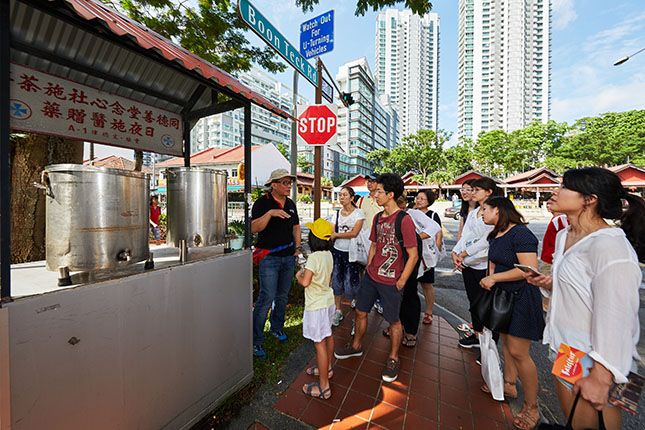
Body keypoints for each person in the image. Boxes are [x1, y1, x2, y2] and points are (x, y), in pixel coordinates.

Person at [525, 167, 644, 430]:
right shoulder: (565, 234)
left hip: (596, 360)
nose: (555, 191)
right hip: (565, 349)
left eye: (565, 187)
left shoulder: (610, 246)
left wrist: (602, 376)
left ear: (589, 199)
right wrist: (550, 284)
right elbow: (580, 289)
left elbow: (619, 315)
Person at [334, 173, 418, 383]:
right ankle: (355, 346)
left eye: (379, 191)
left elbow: (413, 255)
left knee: (393, 321)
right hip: (372, 277)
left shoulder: (404, 220)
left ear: (391, 194)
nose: (375, 195)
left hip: (392, 280)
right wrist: (370, 268)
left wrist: (401, 281)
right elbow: (373, 244)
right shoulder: (379, 218)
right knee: (361, 312)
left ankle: (393, 357)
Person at [478, 197, 544, 430]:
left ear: (498, 210)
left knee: (519, 352)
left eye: (485, 209)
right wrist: (490, 279)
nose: (482, 213)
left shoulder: (521, 234)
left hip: (522, 298)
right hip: (502, 298)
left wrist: (494, 277)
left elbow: (528, 270)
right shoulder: (496, 233)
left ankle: (532, 405)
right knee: (506, 343)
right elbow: (493, 263)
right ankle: (508, 384)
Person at [251, 169, 303, 359]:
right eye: (285, 183)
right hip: (269, 258)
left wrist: (297, 248)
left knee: (281, 296)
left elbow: (296, 227)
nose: (289, 186)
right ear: (273, 184)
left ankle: (276, 328)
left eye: (290, 183)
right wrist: (271, 213)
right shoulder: (262, 203)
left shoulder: (290, 204)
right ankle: (256, 341)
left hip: (288, 257)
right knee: (266, 298)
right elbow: (254, 228)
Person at [382, 193, 441, 347]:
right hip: (393, 263)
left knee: (409, 295)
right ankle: (396, 325)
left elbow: (435, 227)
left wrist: (414, 238)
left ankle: (411, 332)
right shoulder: (384, 216)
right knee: (395, 296)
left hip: (410, 261)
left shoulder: (412, 214)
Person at [452, 177, 501, 353]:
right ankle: (477, 335)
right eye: (472, 190)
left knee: (486, 305)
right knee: (474, 303)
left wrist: (464, 254)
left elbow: (488, 241)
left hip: (484, 265)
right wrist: (455, 252)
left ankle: (490, 345)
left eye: (476, 190)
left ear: (489, 192)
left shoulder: (495, 212)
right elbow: (465, 236)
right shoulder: (474, 213)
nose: (472, 193)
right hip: (468, 264)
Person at [296, 218, 335, 400]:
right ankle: (326, 369)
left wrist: (299, 274)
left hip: (316, 306)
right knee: (328, 336)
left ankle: (324, 387)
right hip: (328, 301)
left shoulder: (313, 258)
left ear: (314, 238)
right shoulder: (328, 254)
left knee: (319, 343)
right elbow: (326, 280)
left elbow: (305, 282)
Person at [329, 186, 365, 326]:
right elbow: (332, 231)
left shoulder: (358, 213)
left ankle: (357, 305)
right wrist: (335, 235)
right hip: (338, 252)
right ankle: (338, 310)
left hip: (353, 252)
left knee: (353, 281)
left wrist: (337, 235)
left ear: (351, 197)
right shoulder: (336, 214)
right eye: (340, 195)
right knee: (336, 281)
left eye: (345, 195)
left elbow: (355, 233)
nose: (342, 197)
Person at [412, 190, 443, 325]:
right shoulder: (411, 213)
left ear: (429, 201)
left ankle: (429, 312)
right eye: (417, 198)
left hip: (427, 255)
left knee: (427, 284)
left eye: (422, 199)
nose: (418, 201)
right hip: (413, 253)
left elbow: (438, 235)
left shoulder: (433, 215)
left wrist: (433, 255)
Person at [358, 173, 384, 315]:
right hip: (364, 242)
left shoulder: (384, 200)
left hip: (380, 241)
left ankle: (379, 299)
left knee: (378, 270)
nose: (369, 184)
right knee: (363, 269)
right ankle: (363, 297)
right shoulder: (362, 200)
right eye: (368, 181)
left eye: (373, 181)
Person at [538, 206, 569, 312]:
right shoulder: (559, 219)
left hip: (551, 261)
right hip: (550, 259)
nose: (548, 204)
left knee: (549, 299)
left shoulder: (560, 220)